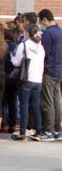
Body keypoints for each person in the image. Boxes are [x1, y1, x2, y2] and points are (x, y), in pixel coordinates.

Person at [11, 25, 49, 141]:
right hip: (38, 80)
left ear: (27, 33)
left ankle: (22, 133)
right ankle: (38, 132)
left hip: (27, 79)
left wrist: (11, 56)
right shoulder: (41, 47)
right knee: (35, 105)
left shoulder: (23, 45)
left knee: (23, 106)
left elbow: (16, 63)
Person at [38, 9, 62, 139]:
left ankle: (49, 130)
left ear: (45, 19)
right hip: (59, 71)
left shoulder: (48, 33)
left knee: (48, 102)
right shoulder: (60, 31)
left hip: (49, 70)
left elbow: (44, 53)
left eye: (40, 21)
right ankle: (58, 130)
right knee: (57, 101)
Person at [2, 27, 20, 134]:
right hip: (13, 78)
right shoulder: (15, 46)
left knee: (2, 102)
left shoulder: (1, 46)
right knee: (13, 102)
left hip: (3, 77)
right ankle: (14, 124)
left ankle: (4, 124)